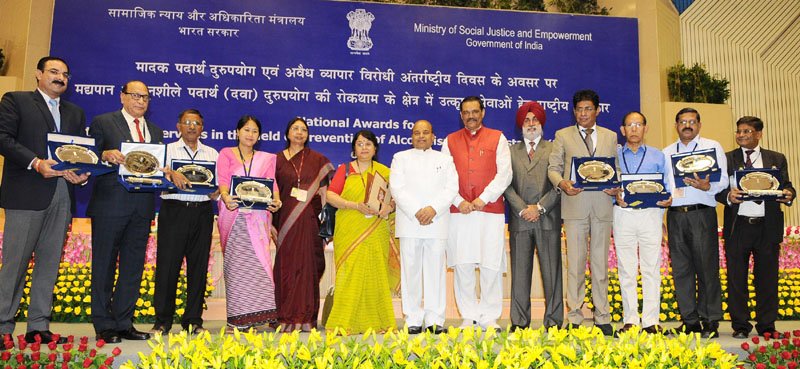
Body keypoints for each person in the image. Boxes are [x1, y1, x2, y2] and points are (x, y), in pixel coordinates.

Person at [0, 56, 89, 345]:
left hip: (62, 193)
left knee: (49, 264)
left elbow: (77, 153)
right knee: (16, 264)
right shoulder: (16, 100)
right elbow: (3, 138)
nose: (60, 77)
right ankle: (2, 326)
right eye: (53, 71)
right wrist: (36, 163)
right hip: (27, 192)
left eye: (65, 74)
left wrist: (80, 174)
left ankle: (38, 325)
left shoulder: (75, 112)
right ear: (38, 74)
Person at [88, 80, 163, 343]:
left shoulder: (155, 131)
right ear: (122, 97)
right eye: (135, 95)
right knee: (104, 265)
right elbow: (87, 157)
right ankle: (103, 324)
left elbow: (154, 168)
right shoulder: (103, 122)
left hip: (142, 207)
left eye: (146, 96)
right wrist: (103, 155)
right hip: (110, 204)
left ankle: (123, 322)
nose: (141, 101)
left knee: (132, 267)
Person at [716, 116, 795, 339]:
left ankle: (767, 325)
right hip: (738, 227)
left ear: (759, 134)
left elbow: (786, 185)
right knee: (736, 279)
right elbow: (717, 189)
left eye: (747, 131)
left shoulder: (776, 158)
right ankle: (740, 325)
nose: (741, 135)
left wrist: (790, 194)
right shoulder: (727, 158)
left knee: (767, 278)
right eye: (739, 131)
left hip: (767, 227)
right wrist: (728, 196)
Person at [547, 89, 618, 336]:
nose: (583, 113)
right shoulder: (562, 135)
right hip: (574, 207)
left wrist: (614, 186)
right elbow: (553, 168)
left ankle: (602, 317)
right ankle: (575, 317)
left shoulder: (610, 136)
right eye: (579, 109)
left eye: (588, 109)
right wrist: (562, 183)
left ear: (597, 110)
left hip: (602, 206)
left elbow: (615, 169)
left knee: (600, 265)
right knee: (575, 265)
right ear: (574, 111)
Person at [441, 96, 512, 330]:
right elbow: (444, 178)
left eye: (475, 111)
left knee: (491, 264)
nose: (470, 116)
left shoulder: (498, 138)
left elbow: (505, 174)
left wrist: (484, 198)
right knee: (463, 264)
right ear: (460, 115)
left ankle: (490, 316)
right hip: (459, 213)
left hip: (489, 212)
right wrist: (459, 201)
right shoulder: (449, 141)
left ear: (483, 112)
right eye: (466, 112)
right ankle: (469, 316)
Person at [151, 109, 219, 335]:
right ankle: (163, 320)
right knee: (167, 267)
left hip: (202, 212)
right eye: (187, 122)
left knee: (198, 268)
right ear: (178, 125)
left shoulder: (213, 154)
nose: (192, 127)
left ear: (202, 127)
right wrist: (169, 174)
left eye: (196, 123)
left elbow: (220, 186)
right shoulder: (167, 151)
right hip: (174, 211)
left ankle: (193, 320)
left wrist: (216, 192)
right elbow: (154, 176)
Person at [662, 107, 728, 338]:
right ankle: (690, 321)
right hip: (676, 215)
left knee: (706, 268)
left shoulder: (713, 147)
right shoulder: (667, 152)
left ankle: (710, 320)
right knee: (681, 270)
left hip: (702, 214)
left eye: (691, 121)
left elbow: (724, 181)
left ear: (699, 125)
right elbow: (664, 185)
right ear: (676, 125)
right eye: (682, 121)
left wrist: (707, 186)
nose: (687, 125)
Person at [390, 120, 458, 334]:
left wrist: (433, 210)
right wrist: (417, 211)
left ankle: (435, 319)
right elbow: (397, 188)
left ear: (433, 136)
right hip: (410, 222)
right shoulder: (400, 158)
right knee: (410, 271)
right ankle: (412, 319)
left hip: (436, 222)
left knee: (435, 271)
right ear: (412, 136)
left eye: (425, 132)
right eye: (417, 133)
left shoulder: (445, 160)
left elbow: (451, 188)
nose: (421, 136)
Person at [325, 130, 396, 334]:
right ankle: (343, 322)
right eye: (359, 144)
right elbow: (330, 195)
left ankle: (378, 322)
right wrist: (353, 205)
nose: (364, 148)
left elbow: (395, 199)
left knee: (376, 275)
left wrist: (389, 208)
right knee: (349, 274)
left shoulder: (386, 172)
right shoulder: (345, 170)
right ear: (353, 149)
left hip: (376, 230)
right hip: (350, 230)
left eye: (368, 144)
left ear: (375, 148)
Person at [217, 115, 283, 331]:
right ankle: (236, 320)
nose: (250, 135)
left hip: (257, 219)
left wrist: (277, 200)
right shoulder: (226, 153)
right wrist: (226, 198)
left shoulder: (267, 158)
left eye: (254, 131)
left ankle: (258, 317)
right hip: (234, 218)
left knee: (259, 267)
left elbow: (271, 184)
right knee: (237, 269)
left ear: (259, 136)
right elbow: (224, 182)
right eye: (246, 130)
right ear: (237, 132)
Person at [504, 101, 563, 331]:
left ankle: (554, 322)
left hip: (547, 218)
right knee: (519, 275)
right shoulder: (510, 151)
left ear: (541, 123)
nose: (531, 124)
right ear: (520, 124)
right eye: (526, 120)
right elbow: (505, 185)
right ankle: (519, 323)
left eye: (535, 120)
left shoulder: (555, 148)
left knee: (552, 274)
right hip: (520, 220)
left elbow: (560, 182)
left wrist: (539, 207)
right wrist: (522, 208)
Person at [612, 111, 671, 334]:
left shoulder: (659, 156)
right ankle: (630, 320)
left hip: (650, 214)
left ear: (646, 128)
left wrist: (667, 200)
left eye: (638, 124)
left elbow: (667, 185)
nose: (634, 129)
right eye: (630, 125)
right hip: (623, 214)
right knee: (626, 268)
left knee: (651, 268)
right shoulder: (614, 155)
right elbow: (608, 183)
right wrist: (614, 194)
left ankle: (650, 320)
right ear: (623, 130)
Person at [273, 117, 334, 332]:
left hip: (309, 223)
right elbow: (272, 192)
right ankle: (286, 317)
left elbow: (325, 196)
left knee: (307, 269)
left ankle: (306, 318)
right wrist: (271, 223)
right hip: (284, 222)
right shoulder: (276, 161)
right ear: (287, 133)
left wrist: (326, 224)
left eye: (304, 130)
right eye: (295, 129)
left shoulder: (317, 160)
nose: (299, 132)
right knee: (287, 269)